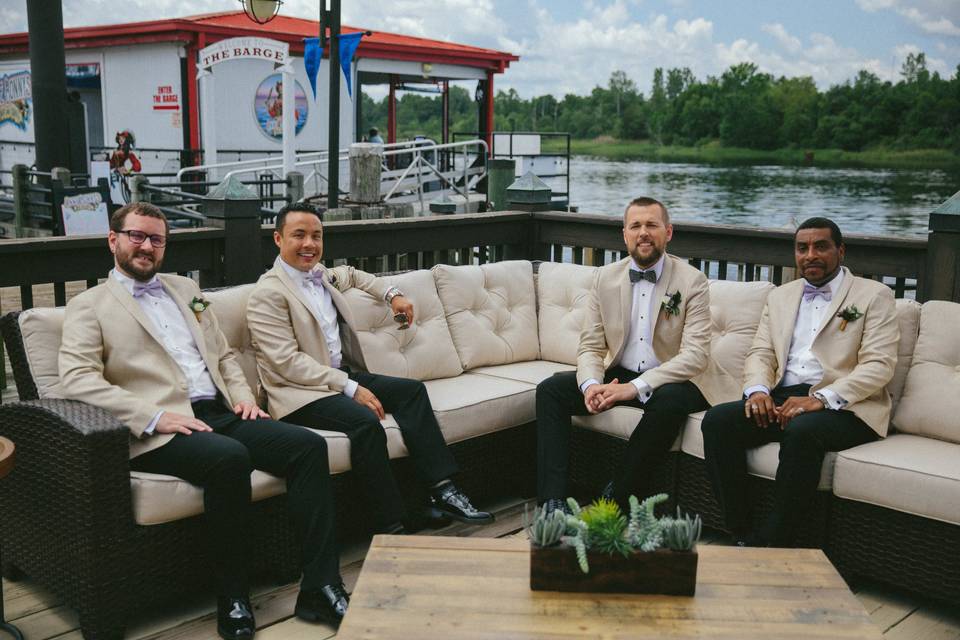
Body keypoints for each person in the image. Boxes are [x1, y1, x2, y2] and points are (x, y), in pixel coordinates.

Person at [58, 203, 349, 639]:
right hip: (157, 428)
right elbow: (77, 379)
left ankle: (321, 586)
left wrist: (243, 398)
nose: (147, 247)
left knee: (308, 447)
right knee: (228, 459)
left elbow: (225, 355)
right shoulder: (88, 306)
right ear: (113, 240)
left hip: (218, 411)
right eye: (137, 236)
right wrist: (155, 416)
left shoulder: (185, 290)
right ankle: (233, 597)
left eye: (156, 239)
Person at [246, 202, 492, 536]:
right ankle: (391, 523)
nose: (309, 244)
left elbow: (353, 274)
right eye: (299, 235)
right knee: (365, 423)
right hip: (298, 394)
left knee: (412, 393)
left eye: (316, 236)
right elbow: (286, 363)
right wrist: (350, 387)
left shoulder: (321, 274)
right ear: (278, 239)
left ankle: (443, 488)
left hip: (337, 378)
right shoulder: (267, 293)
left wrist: (393, 295)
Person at [701, 217, 899, 547]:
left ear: (840, 251)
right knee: (718, 421)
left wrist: (820, 399)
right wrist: (758, 391)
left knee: (802, 432)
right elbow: (761, 352)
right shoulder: (781, 296)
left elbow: (879, 366)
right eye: (802, 248)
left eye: (821, 246)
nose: (810, 255)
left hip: (848, 406)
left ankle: (775, 541)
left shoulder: (874, 295)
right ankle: (741, 532)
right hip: (784, 396)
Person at [536, 196, 714, 513]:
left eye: (651, 225)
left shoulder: (691, 281)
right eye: (636, 226)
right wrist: (591, 385)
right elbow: (591, 345)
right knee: (551, 390)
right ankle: (553, 499)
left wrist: (632, 388)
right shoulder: (605, 278)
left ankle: (617, 496)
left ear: (668, 232)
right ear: (625, 235)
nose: (643, 233)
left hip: (673, 380)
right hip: (622, 373)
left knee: (670, 401)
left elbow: (695, 357)